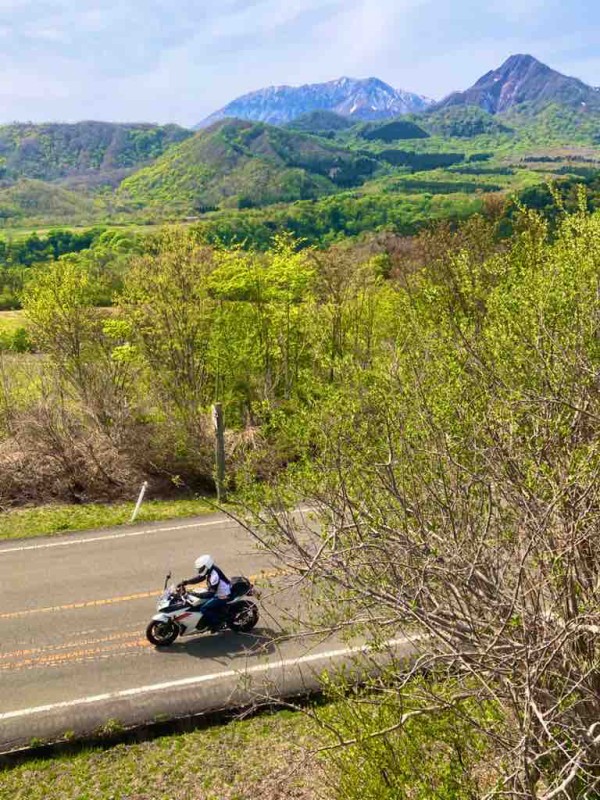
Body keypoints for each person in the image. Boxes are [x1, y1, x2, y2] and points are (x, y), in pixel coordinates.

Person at [177, 554, 232, 630]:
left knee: (204, 608)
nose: (200, 570)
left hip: (222, 595)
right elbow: (200, 578)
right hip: (216, 591)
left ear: (207, 566)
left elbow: (211, 594)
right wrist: (186, 582)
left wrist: (196, 594)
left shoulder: (214, 576)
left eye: (201, 569)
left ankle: (218, 623)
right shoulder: (210, 570)